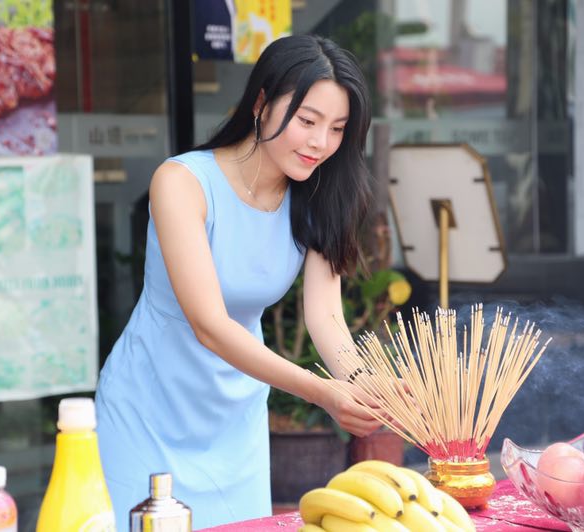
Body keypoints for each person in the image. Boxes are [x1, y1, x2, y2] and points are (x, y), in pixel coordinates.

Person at [94, 34, 383, 530]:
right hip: (146, 409)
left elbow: (326, 316)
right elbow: (208, 324)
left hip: (235, 417)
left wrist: (363, 384)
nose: (320, 143)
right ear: (262, 104)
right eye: (307, 121)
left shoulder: (319, 195)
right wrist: (322, 393)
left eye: (337, 129)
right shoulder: (182, 182)